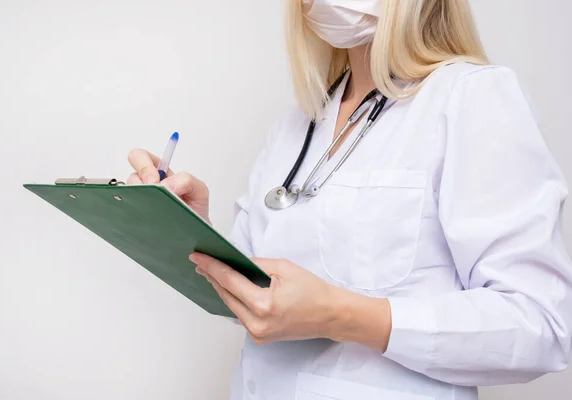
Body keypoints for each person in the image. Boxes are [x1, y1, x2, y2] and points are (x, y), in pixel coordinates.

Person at [126, 0, 572, 398]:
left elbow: (541, 325)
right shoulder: (297, 123)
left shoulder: (471, 96)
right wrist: (190, 228)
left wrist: (338, 315)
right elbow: (257, 301)